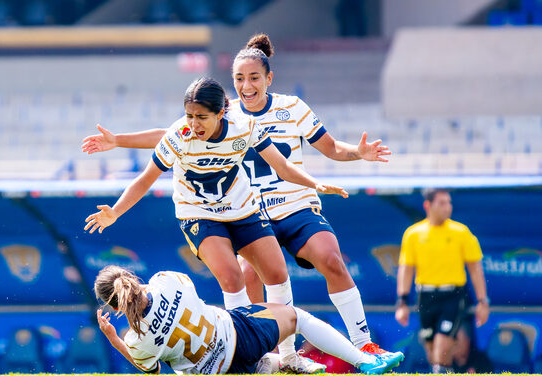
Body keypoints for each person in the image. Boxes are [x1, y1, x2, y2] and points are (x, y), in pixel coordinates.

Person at [81, 34, 398, 365]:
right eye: (188, 117)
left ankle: (310, 356)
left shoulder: (256, 120)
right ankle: (253, 360)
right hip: (208, 213)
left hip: (258, 209)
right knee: (234, 276)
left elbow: (288, 164)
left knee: (300, 268)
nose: (193, 124)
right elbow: (155, 160)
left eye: (200, 117)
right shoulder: (192, 127)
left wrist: (321, 180)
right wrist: (115, 198)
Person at [94, 265, 402, 374]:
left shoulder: (137, 339)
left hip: (216, 373)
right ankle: (364, 362)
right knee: (297, 318)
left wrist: (113, 338)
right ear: (130, 277)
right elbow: (188, 287)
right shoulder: (164, 280)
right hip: (238, 335)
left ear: (115, 306)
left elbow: (149, 369)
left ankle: (272, 366)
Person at [395, 188, 490, 373]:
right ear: (427, 205)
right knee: (431, 350)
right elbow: (406, 269)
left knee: (442, 346)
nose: (448, 207)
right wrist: (402, 302)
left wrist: (482, 301)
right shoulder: (413, 233)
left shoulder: (461, 232)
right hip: (426, 296)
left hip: (452, 296)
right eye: (442, 203)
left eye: (449, 203)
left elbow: (475, 269)